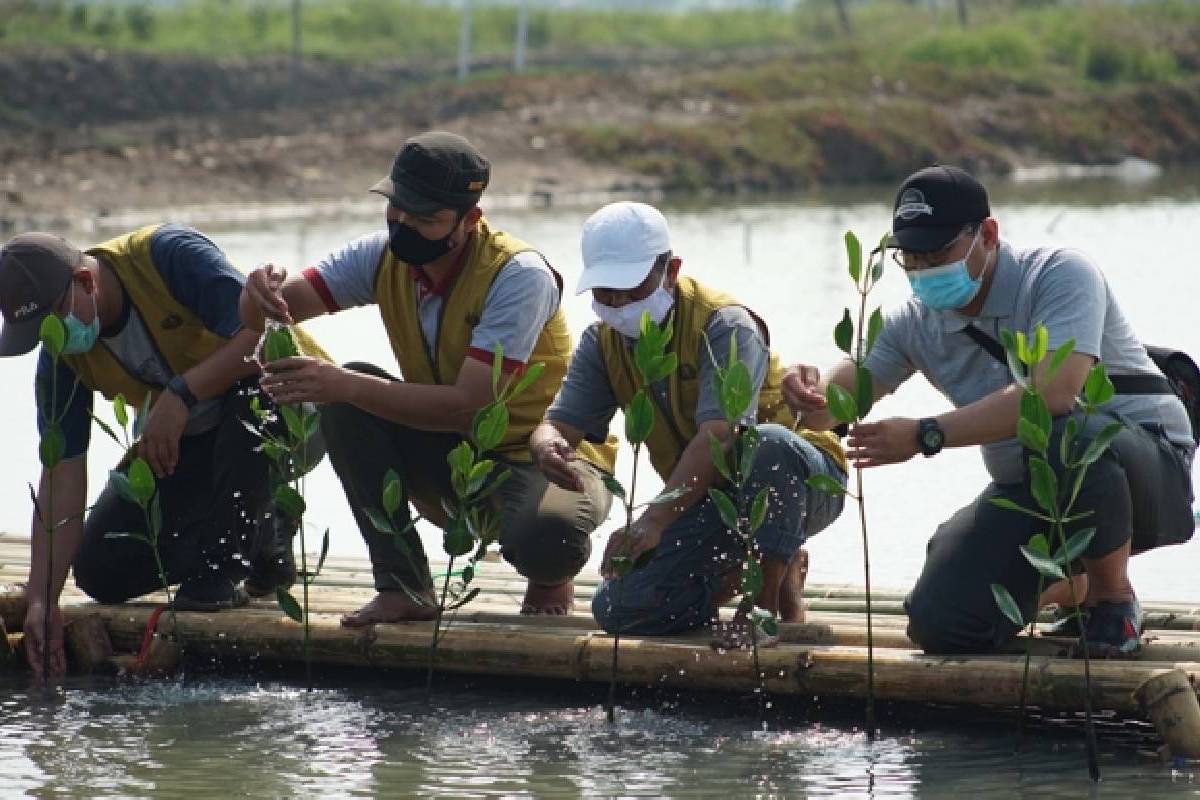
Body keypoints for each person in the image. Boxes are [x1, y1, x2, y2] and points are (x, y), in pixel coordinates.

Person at [782, 164, 1196, 656]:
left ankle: (1112, 601)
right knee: (939, 624)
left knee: (1065, 434)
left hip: (1144, 479)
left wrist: (924, 435)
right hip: (1031, 490)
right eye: (910, 257)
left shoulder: (1060, 274)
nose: (924, 269)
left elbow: (1052, 394)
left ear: (988, 234)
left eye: (938, 252)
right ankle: (1074, 584)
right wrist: (806, 392)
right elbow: (834, 404)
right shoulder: (914, 324)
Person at [239, 131, 616, 625]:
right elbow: (268, 313)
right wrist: (256, 294)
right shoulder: (379, 256)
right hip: (449, 450)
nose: (404, 225)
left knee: (549, 541)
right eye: (397, 210)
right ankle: (403, 585)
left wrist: (344, 385)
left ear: (470, 220)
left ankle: (548, 573)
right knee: (349, 398)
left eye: (425, 218)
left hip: (542, 457)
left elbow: (471, 405)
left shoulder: (518, 276)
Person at [0, 224, 318, 677]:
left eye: (50, 321)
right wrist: (41, 598)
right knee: (100, 570)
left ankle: (225, 566)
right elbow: (62, 473)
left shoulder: (168, 256)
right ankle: (263, 533)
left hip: (290, 410)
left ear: (86, 282)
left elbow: (264, 337)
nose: (50, 338)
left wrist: (183, 393)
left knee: (254, 399)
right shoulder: (62, 354)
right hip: (195, 446)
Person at [530, 201, 847, 645]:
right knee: (617, 606)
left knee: (770, 444)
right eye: (605, 292)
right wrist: (546, 445)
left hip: (799, 483)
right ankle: (773, 570)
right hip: (706, 498)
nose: (617, 303)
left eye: (631, 288)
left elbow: (718, 435)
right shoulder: (601, 343)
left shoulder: (724, 325)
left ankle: (764, 606)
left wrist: (652, 522)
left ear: (671, 270)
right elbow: (558, 423)